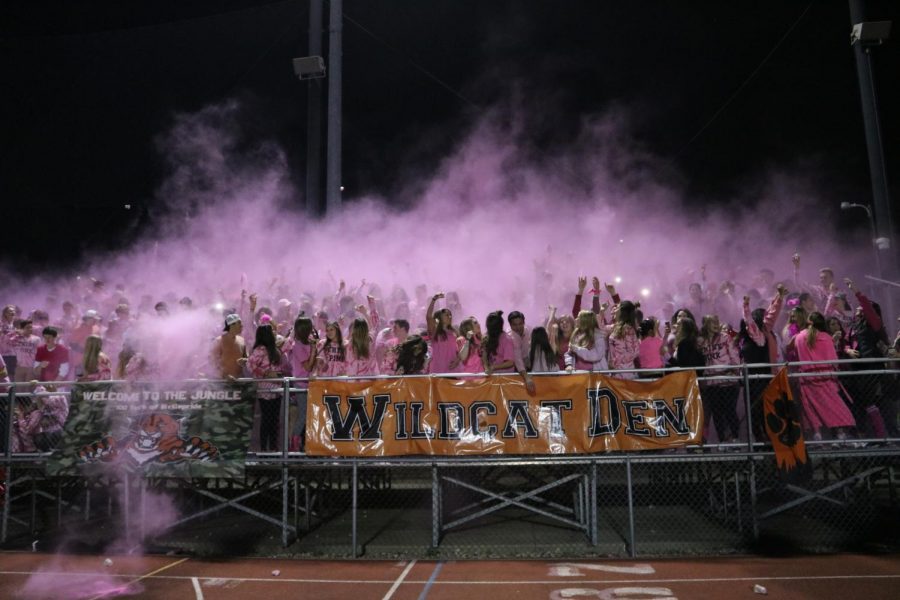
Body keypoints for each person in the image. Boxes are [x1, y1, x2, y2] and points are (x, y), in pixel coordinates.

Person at [788, 312, 857, 442]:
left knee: (811, 409)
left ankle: (817, 435)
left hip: (806, 379)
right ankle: (840, 435)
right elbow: (833, 360)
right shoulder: (826, 337)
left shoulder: (798, 337)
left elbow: (793, 353)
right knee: (833, 407)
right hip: (826, 379)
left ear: (809, 322)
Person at [699, 315, 742, 445]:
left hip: (727, 380)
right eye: (712, 322)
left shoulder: (725, 337)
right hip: (712, 382)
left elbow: (734, 355)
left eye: (717, 321)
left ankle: (735, 438)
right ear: (706, 324)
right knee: (717, 413)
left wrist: (736, 371)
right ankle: (722, 440)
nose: (716, 324)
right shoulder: (702, 341)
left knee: (730, 411)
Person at [248, 324, 286, 452]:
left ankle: (273, 449)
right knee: (266, 420)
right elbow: (250, 365)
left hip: (277, 389)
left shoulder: (275, 349)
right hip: (265, 390)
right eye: (272, 331)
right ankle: (264, 450)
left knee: (274, 421)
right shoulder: (260, 350)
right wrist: (265, 373)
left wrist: (278, 374)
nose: (274, 333)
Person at [285, 317, 318, 452]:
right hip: (301, 385)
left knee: (309, 416)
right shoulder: (298, 346)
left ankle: (303, 443)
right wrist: (314, 350)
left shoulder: (307, 344)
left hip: (311, 385)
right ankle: (294, 441)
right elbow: (308, 366)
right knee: (303, 415)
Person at [426, 292, 459, 374]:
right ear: (438, 317)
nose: (449, 316)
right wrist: (434, 300)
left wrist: (457, 360)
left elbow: (460, 350)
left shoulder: (455, 331)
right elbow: (429, 317)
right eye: (446, 314)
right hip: (438, 370)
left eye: (450, 314)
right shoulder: (435, 332)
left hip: (453, 369)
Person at [607, 300, 641, 378]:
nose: (614, 309)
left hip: (624, 372)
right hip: (617, 372)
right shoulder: (616, 327)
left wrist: (616, 362)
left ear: (622, 311)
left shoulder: (628, 329)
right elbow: (601, 328)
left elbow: (634, 352)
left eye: (617, 307)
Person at [211, 314, 248, 379]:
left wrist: (246, 360)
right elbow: (213, 362)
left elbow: (247, 359)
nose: (242, 325)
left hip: (240, 381)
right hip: (223, 382)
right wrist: (224, 375)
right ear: (231, 325)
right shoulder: (219, 341)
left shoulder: (242, 340)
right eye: (239, 323)